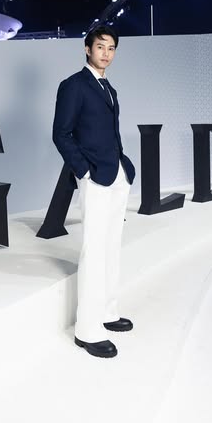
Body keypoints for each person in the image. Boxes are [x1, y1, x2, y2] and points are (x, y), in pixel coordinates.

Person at [52, 25, 135, 358]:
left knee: (111, 246)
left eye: (111, 48)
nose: (106, 53)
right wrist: (83, 171)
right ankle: (87, 330)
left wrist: (122, 167)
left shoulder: (109, 87)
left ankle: (107, 312)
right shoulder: (73, 85)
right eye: (101, 47)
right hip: (95, 177)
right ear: (87, 49)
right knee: (94, 249)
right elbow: (61, 133)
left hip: (117, 175)